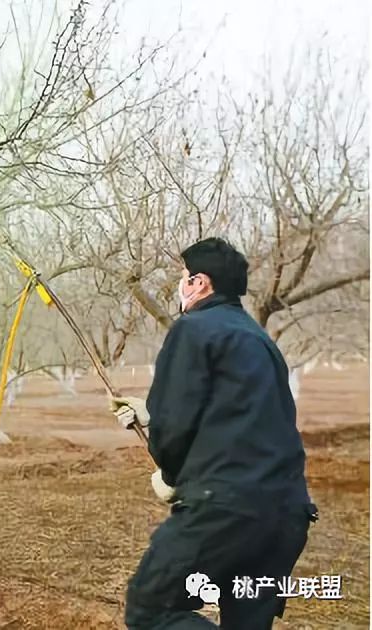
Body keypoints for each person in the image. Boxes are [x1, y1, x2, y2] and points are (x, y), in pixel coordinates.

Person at [111, 237, 318, 629]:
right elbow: (239, 419)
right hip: (286, 516)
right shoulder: (262, 342)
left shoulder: (193, 329)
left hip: (226, 511)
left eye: (183, 278)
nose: (179, 286)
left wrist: (171, 477)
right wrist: (150, 417)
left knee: (151, 608)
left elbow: (174, 429)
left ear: (199, 283)